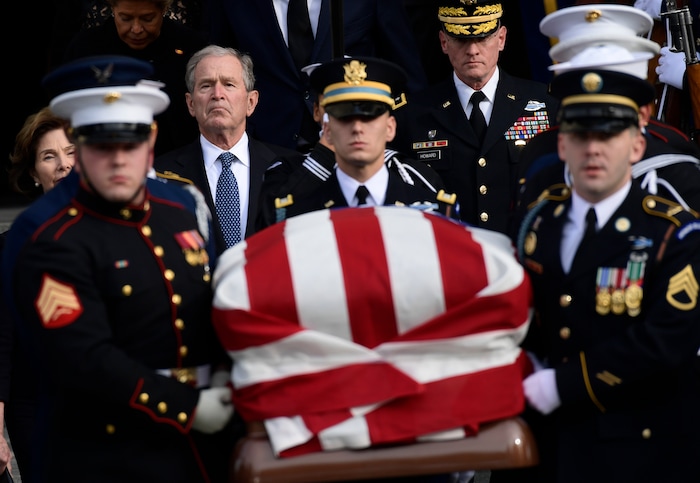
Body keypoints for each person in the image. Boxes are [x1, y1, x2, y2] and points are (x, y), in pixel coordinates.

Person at [2, 55, 235, 483]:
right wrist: (189, 408)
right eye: (100, 145)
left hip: (200, 450)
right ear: (80, 143)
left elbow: (209, 302)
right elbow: (81, 360)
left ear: (151, 140)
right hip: (105, 455)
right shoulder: (44, 234)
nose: (117, 159)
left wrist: (227, 376)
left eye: (130, 143)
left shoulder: (182, 206)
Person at [512, 67, 700, 482]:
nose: (593, 149)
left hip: (640, 449)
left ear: (636, 145)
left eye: (609, 135)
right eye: (580, 134)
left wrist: (563, 384)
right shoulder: (540, 226)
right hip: (549, 446)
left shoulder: (673, 232)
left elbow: (668, 341)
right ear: (562, 144)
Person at [517, 4, 700, 222]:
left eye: (611, 129)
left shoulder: (677, 177)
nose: (593, 146)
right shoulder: (539, 163)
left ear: (642, 117)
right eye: (580, 126)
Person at [390, 0, 560, 235]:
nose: (472, 50)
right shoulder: (413, 114)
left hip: (518, 250)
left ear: (501, 39)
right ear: (443, 42)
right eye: (461, 40)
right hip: (450, 253)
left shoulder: (546, 104)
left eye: (482, 38)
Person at [203, 0, 429, 152]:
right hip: (267, 148)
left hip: (350, 145)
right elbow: (222, 66)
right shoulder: (233, 4)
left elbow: (407, 76)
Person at [259, 56, 458, 226]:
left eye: (370, 115)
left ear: (391, 127)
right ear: (326, 126)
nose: (357, 127)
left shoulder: (430, 208)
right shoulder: (295, 209)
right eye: (343, 115)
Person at [155, 45, 298, 256]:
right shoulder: (159, 174)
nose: (217, 94)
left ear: (251, 102)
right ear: (191, 104)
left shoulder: (290, 168)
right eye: (206, 86)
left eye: (229, 84)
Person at [1, 107, 76, 482]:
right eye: (49, 156)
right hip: (37, 407)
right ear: (34, 173)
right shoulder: (11, 248)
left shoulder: (124, 234)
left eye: (72, 152)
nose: (63, 165)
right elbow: (1, 343)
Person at [61, 0, 208, 157]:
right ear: (112, 9)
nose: (136, 29)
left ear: (164, 9)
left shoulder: (190, 46)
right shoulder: (86, 49)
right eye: (125, 18)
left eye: (147, 18)